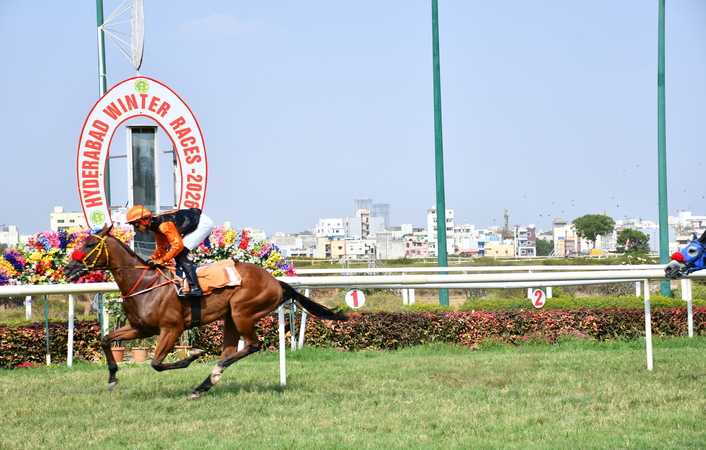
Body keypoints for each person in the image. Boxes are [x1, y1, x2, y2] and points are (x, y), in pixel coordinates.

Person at [125, 205, 214, 297]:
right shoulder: (155, 227)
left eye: (136, 225)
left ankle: (196, 287)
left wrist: (162, 261)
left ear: (144, 221)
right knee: (177, 254)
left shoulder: (164, 225)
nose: (136, 229)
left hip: (202, 224)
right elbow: (162, 248)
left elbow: (178, 246)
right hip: (194, 222)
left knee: (180, 254)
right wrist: (151, 259)